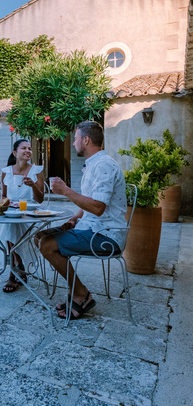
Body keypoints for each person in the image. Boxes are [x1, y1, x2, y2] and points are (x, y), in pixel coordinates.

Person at [35, 121, 127, 319]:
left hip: (106, 235)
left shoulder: (103, 165)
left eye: (76, 138)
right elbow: (89, 204)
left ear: (86, 140)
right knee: (40, 236)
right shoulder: (93, 164)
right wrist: (74, 219)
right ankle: (75, 290)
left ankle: (80, 294)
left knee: (47, 244)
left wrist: (66, 191)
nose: (74, 142)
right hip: (92, 229)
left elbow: (98, 207)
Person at [0, 139, 45, 293]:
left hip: (31, 215)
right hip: (12, 213)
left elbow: (40, 200)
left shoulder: (36, 171)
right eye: (24, 148)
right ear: (15, 153)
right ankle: (18, 268)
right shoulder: (6, 172)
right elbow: (4, 198)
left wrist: (33, 186)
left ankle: (14, 271)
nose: (28, 151)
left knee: (11, 226)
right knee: (10, 223)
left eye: (29, 148)